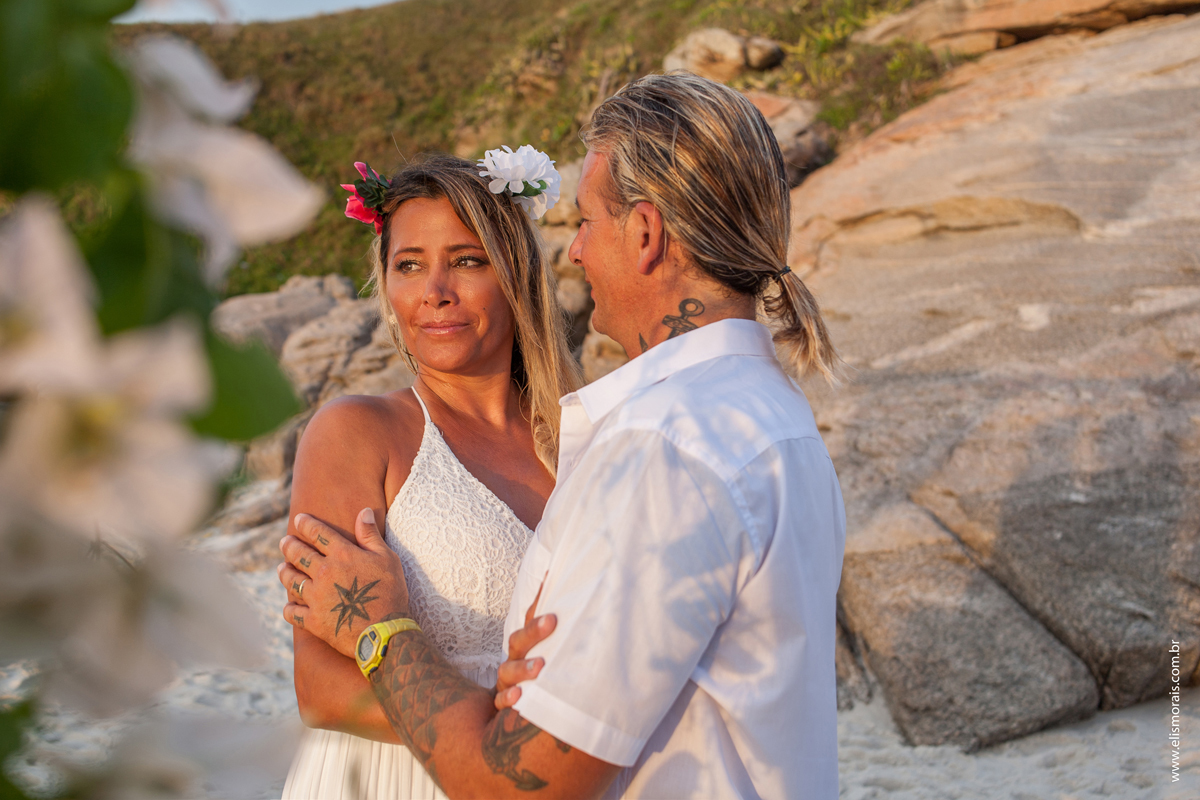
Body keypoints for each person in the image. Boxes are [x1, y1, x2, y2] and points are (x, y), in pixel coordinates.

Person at [279, 72, 846, 799]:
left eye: (586, 222)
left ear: (644, 234)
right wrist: (503, 710)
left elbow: (526, 775)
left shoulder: (647, 446)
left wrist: (399, 642)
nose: (575, 251)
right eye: (409, 266)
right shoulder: (774, 419)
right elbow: (317, 683)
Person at [279, 153, 581, 799]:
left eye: (467, 260)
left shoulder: (582, 441)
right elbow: (321, 692)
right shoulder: (357, 434)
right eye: (408, 264)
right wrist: (522, 720)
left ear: (516, 272)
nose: (434, 290)